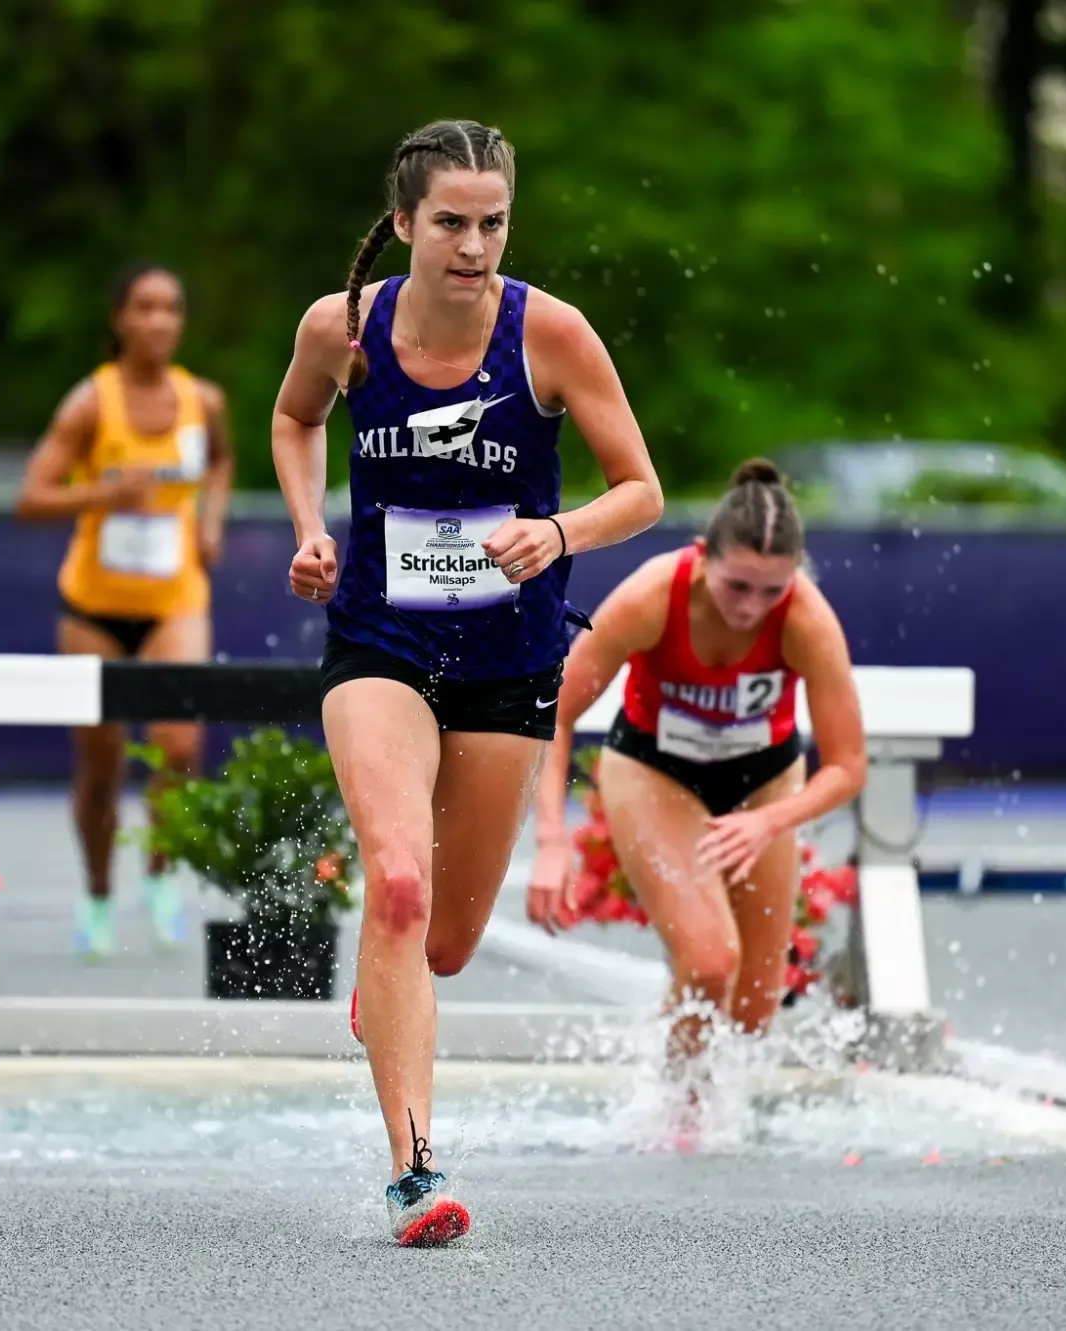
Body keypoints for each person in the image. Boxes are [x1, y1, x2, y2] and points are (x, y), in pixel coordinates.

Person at [272, 119, 664, 1246]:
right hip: (379, 643)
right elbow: (294, 419)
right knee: (394, 883)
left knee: (441, 941)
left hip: (510, 657)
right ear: (401, 225)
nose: (473, 244)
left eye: (492, 221)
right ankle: (413, 1171)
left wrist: (555, 528)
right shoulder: (341, 327)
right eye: (449, 221)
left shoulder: (551, 333)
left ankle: (390, 984)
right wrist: (309, 527)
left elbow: (638, 489)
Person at [525, 459, 868, 1075]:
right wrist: (552, 839)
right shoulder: (652, 596)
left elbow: (847, 766)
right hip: (657, 773)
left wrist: (771, 822)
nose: (751, 607)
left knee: (756, 1010)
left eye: (772, 590)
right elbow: (551, 715)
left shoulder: (807, 620)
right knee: (710, 963)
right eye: (738, 586)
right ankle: (672, 1110)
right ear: (703, 555)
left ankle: (703, 1101)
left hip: (763, 784)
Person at [16, 262, 234, 960]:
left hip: (175, 598)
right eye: (144, 307)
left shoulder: (203, 400)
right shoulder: (91, 404)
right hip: (94, 605)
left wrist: (210, 521)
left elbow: (224, 462)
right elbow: (31, 498)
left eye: (171, 307)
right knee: (102, 764)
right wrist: (104, 496)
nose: (159, 321)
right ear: (119, 320)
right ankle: (99, 892)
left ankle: (162, 879)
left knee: (180, 747)